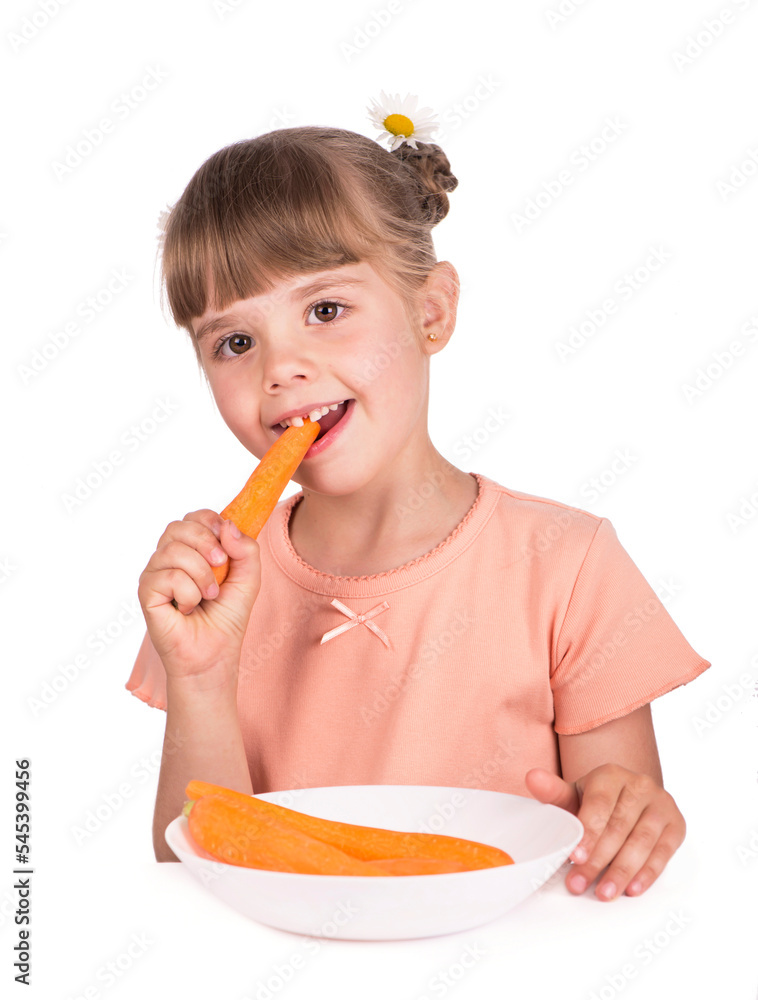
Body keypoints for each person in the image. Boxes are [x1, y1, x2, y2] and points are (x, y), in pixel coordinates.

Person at [127, 92, 710, 902]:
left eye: (325, 310)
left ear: (430, 312)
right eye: (234, 342)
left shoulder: (570, 566)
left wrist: (629, 821)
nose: (279, 369)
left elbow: (617, 841)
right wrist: (198, 679)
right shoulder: (210, 591)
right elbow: (190, 876)